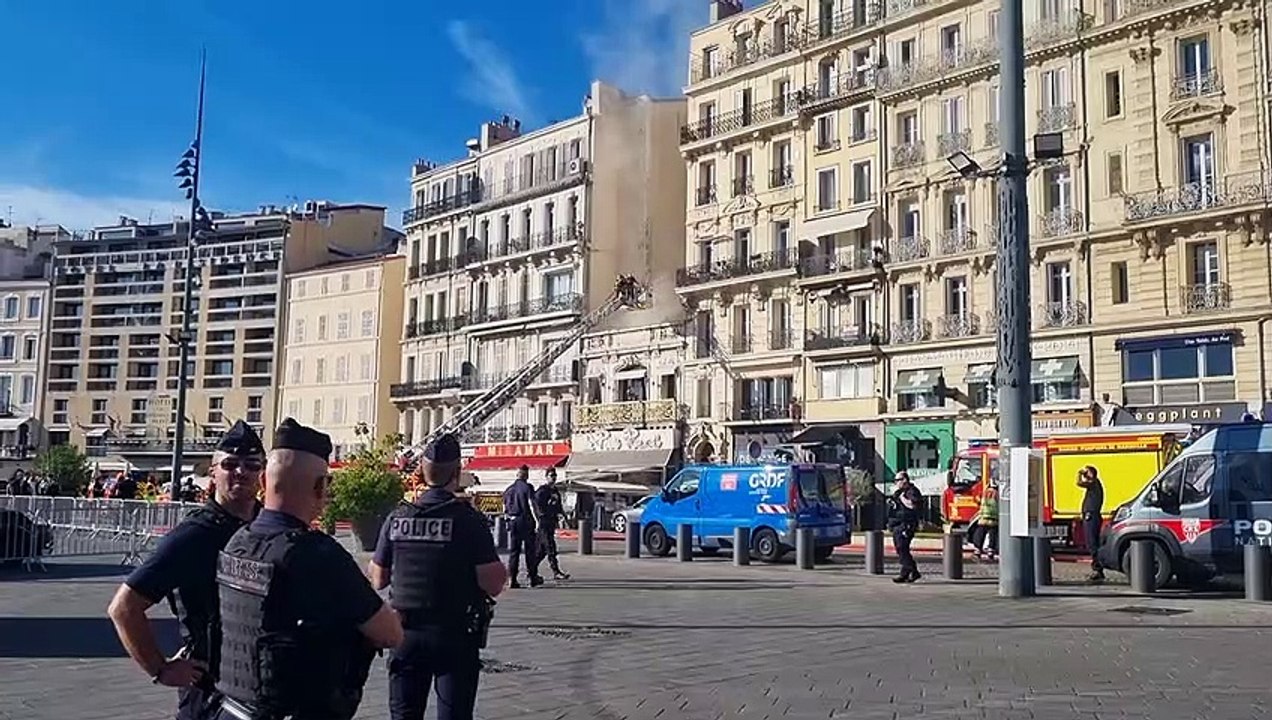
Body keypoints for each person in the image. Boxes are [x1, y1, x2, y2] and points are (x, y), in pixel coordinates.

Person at [210, 418, 403, 720]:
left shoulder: (239, 541)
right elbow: (389, 633)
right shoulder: (317, 555)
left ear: (263, 482)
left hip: (230, 708)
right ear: (320, 488)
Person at [106, 421, 266, 720]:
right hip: (210, 689)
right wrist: (159, 668)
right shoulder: (193, 535)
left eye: (251, 465)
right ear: (213, 473)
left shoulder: (267, 528)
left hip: (260, 686)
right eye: (230, 464)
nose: (240, 472)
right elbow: (124, 608)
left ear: (262, 474)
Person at [368, 434, 508, 720]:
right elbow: (493, 584)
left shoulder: (398, 517)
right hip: (454, 634)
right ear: (457, 471)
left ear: (422, 469)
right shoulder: (468, 520)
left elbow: (378, 578)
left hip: (405, 634)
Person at [502, 465, 543, 588]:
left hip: (513, 521)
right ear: (526, 475)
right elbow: (531, 504)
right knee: (530, 550)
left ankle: (512, 578)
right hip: (526, 521)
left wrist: (508, 520)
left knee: (514, 551)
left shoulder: (509, 489)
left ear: (517, 474)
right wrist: (537, 521)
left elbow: (504, 508)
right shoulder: (528, 487)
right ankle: (532, 577)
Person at [533, 468, 570, 581]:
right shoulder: (542, 491)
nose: (553, 478)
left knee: (542, 551)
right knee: (550, 547)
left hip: (551, 523)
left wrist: (563, 516)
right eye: (551, 475)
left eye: (554, 475)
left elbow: (558, 506)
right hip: (544, 523)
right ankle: (556, 572)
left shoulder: (555, 490)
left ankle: (532, 569)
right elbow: (536, 504)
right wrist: (540, 516)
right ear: (546, 477)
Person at [888, 472, 923, 583]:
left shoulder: (912, 491)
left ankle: (913, 570)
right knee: (901, 549)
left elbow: (913, 505)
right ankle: (905, 573)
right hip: (897, 524)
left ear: (905, 480)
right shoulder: (899, 492)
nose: (896, 483)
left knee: (902, 548)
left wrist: (903, 499)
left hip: (907, 524)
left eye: (898, 480)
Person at [1078, 465, 1106, 583]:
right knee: (1092, 543)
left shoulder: (1094, 483)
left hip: (1091, 516)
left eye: (1087, 472)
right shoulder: (1094, 484)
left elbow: (1079, 483)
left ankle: (1098, 570)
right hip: (1091, 516)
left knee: (1092, 544)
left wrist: (1080, 473)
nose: (1085, 474)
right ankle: (1098, 569)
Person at [972, 480, 999, 561]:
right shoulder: (997, 494)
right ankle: (991, 551)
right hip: (994, 518)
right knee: (992, 535)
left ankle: (977, 550)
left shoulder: (985, 493)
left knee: (980, 534)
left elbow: (978, 500)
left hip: (983, 518)